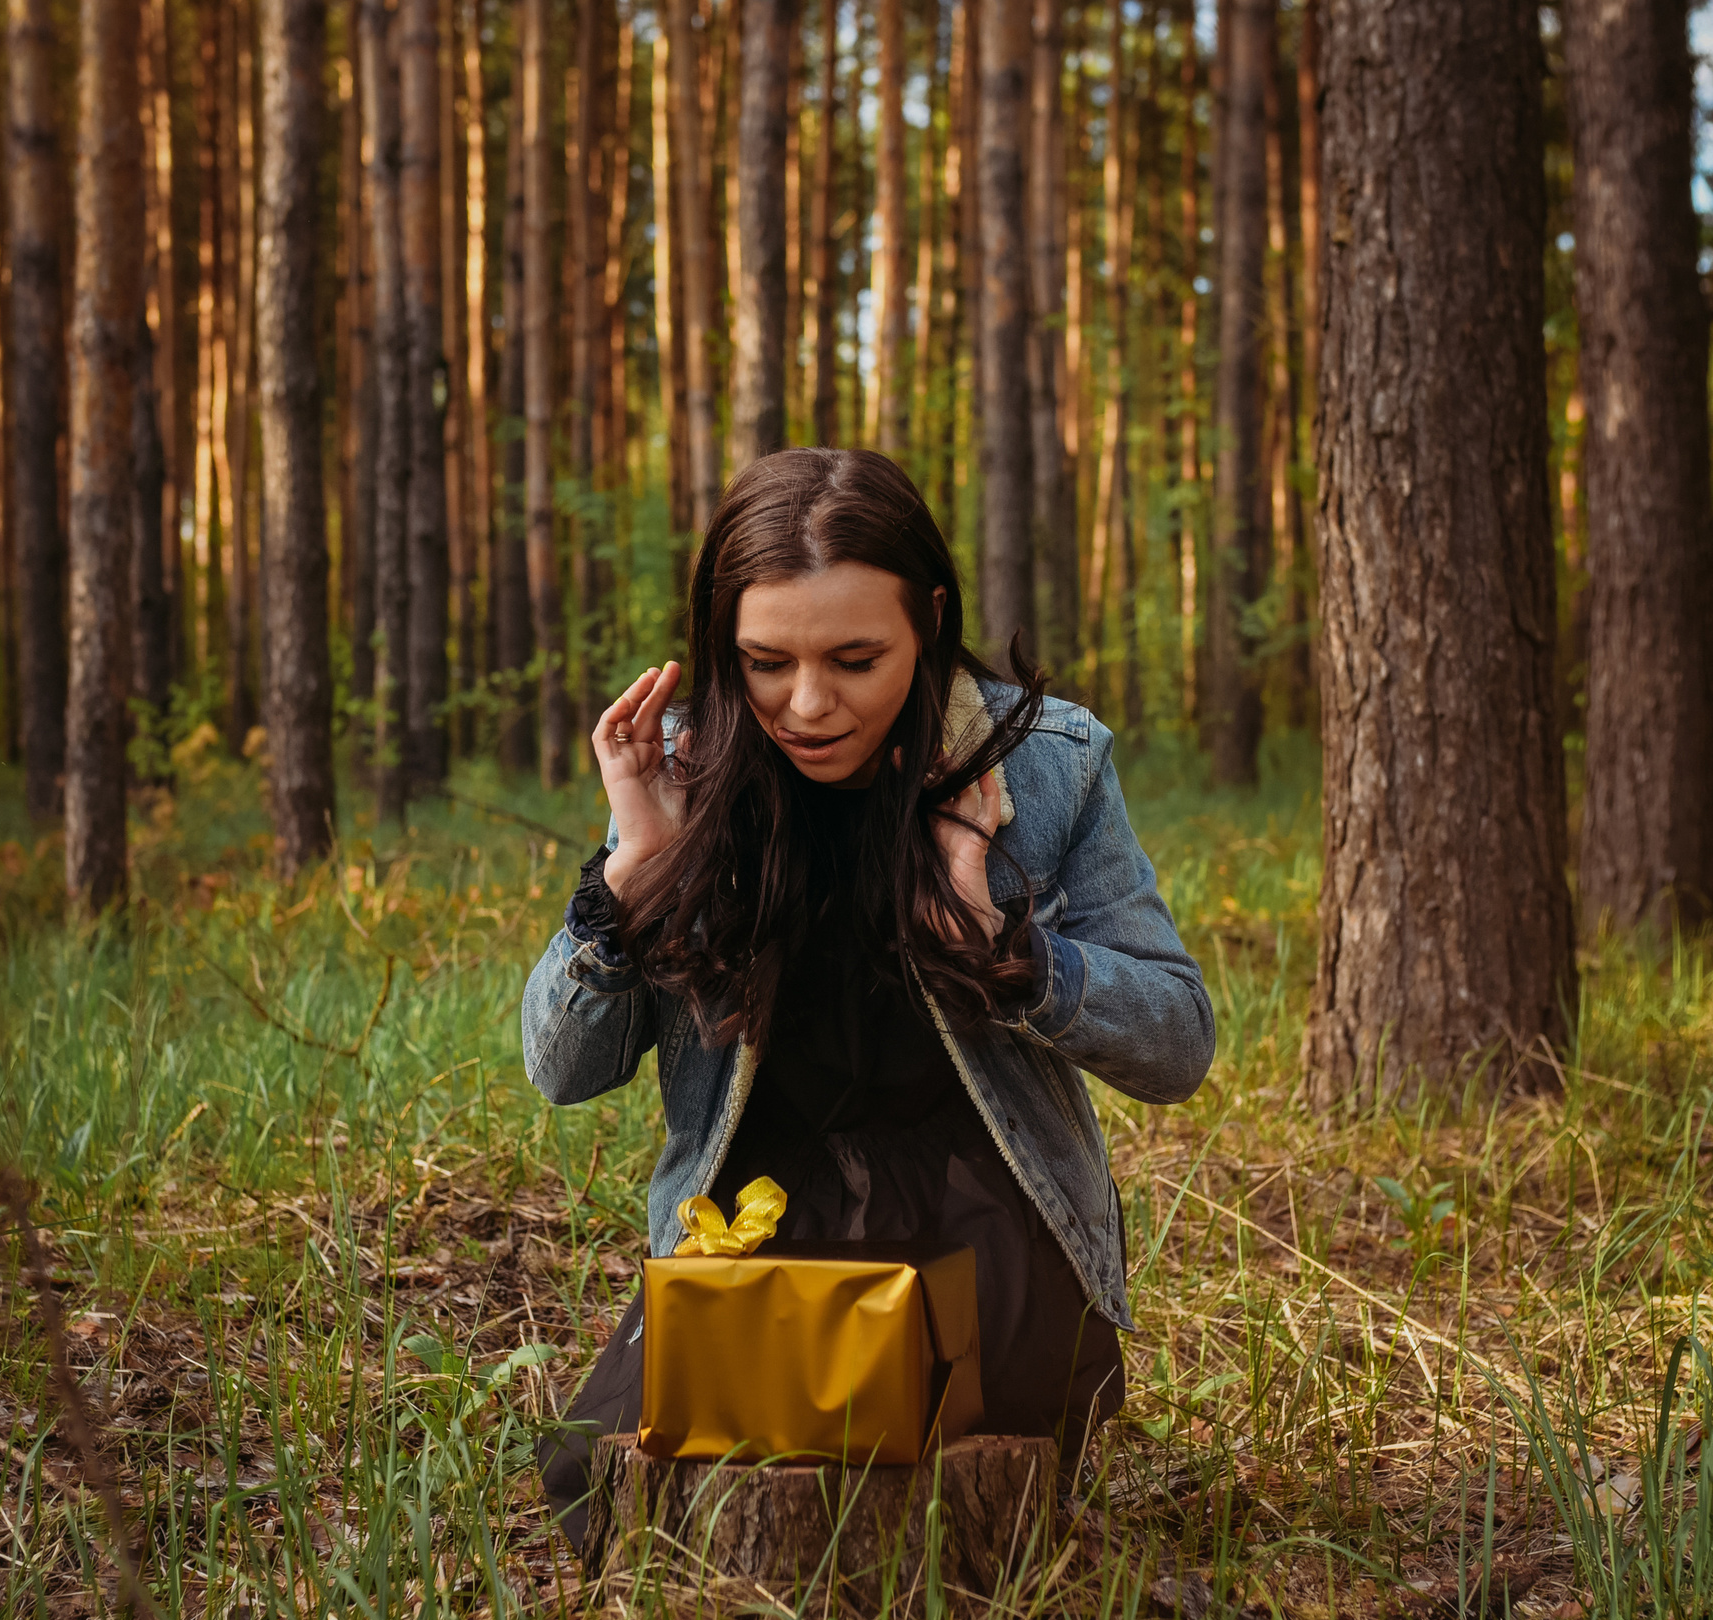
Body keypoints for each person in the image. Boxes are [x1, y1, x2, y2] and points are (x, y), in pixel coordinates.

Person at [520, 449, 1214, 1553]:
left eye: (855, 658)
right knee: (612, 1486)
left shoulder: (1050, 763)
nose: (806, 704)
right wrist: (632, 879)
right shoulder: (682, 769)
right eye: (765, 661)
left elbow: (1177, 1043)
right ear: (723, 644)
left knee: (939, 1485)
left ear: (928, 621)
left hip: (987, 1217)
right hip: (753, 1223)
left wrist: (1005, 950)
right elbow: (562, 1070)